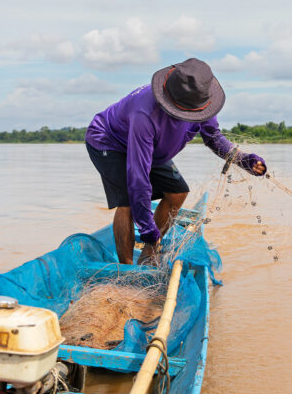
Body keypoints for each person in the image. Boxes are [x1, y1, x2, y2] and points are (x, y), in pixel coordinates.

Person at [85, 58, 266, 264]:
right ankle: (127, 269)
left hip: (153, 150)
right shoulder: (144, 113)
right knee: (127, 201)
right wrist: (146, 227)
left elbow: (213, 136)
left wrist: (243, 159)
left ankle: (149, 255)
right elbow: (138, 176)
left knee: (178, 192)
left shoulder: (199, 101)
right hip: (110, 142)